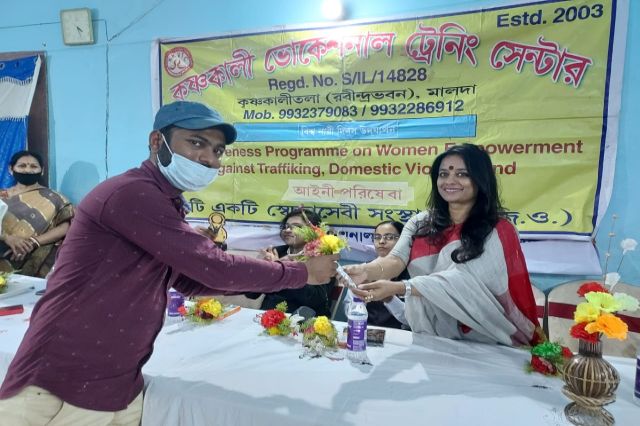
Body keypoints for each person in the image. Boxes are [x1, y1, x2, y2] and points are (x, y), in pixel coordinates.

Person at [0, 101, 337, 425]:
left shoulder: (167, 203)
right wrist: (300, 272)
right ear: (156, 142)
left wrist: (280, 273)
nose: (209, 159)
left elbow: (190, 279)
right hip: (64, 376)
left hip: (118, 379)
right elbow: (213, 267)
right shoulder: (132, 193)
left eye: (218, 150)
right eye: (196, 143)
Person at [345, 144, 542, 347]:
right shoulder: (421, 223)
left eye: (462, 174)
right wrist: (364, 270)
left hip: (485, 337)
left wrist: (401, 287)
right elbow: (395, 260)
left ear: (480, 179)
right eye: (443, 174)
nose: (450, 181)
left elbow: (465, 283)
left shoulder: (498, 229)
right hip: (431, 333)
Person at [247, 208, 335, 317]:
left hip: (307, 321)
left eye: (297, 227)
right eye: (286, 226)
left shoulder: (323, 257)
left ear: (313, 231)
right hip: (268, 317)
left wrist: (281, 270)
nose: (288, 230)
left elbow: (315, 299)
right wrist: (260, 269)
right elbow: (251, 294)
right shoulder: (276, 252)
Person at [0, 150, 74, 278]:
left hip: (36, 261)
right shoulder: (2, 196)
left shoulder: (55, 198)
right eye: (22, 166)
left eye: (33, 166)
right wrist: (7, 238)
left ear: (42, 170)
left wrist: (32, 242)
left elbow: (66, 227)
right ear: (11, 169)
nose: (28, 170)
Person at [343, 220, 410, 329]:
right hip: (366, 331)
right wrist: (359, 296)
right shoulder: (363, 270)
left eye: (389, 237)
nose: (382, 241)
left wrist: (389, 298)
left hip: (400, 334)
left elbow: (413, 321)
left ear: (403, 241)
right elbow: (348, 312)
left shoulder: (412, 272)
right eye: (377, 237)